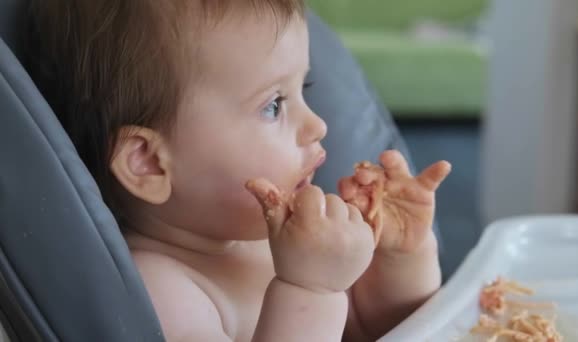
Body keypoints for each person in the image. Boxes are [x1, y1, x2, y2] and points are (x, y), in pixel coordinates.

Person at [25, 0, 451, 340]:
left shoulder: (269, 240)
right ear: (149, 163)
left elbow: (372, 330)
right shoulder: (165, 292)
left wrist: (403, 258)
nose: (318, 126)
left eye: (304, 88)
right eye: (273, 105)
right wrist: (311, 291)